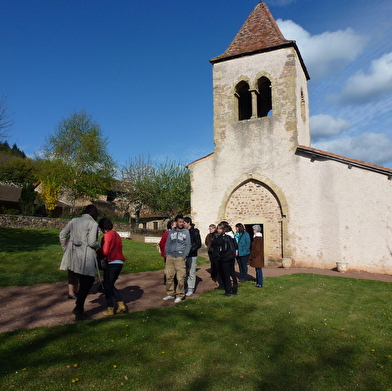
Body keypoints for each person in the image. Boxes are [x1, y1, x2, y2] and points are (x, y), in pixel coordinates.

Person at [59, 204, 101, 320]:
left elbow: (62, 234)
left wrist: (65, 249)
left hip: (72, 253)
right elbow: (92, 242)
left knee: (83, 280)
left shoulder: (74, 220)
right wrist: (100, 245)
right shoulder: (93, 223)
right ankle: (79, 309)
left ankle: (79, 308)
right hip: (85, 255)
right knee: (88, 280)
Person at [97, 217, 127, 316]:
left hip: (111, 262)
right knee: (110, 285)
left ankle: (111, 308)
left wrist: (98, 251)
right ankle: (120, 304)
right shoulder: (116, 234)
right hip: (119, 262)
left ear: (102, 227)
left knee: (107, 286)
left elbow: (105, 251)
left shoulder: (106, 236)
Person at [163, 214, 191, 303]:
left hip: (180, 257)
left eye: (183, 222)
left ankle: (180, 295)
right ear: (176, 222)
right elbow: (167, 244)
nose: (182, 223)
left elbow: (188, 245)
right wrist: (167, 254)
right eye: (180, 222)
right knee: (169, 276)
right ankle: (171, 294)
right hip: (170, 257)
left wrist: (184, 256)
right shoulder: (171, 232)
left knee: (180, 277)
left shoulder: (186, 232)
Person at [217, 223, 238, 296]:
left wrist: (220, 254)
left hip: (226, 258)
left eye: (219, 229)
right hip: (231, 257)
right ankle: (234, 289)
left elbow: (224, 248)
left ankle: (228, 291)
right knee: (232, 273)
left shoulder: (225, 237)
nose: (218, 230)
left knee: (226, 275)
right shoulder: (231, 237)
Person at [183, 217, 202, 296]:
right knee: (184, 272)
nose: (183, 224)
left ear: (188, 223)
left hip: (192, 255)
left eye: (184, 223)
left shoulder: (195, 232)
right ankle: (186, 286)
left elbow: (198, 244)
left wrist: (189, 250)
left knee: (191, 271)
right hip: (184, 255)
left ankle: (191, 288)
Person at [158, 220, 176, 284]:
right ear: (171, 226)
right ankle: (168, 280)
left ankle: (169, 280)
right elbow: (162, 243)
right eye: (175, 225)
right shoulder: (167, 233)